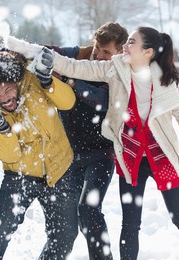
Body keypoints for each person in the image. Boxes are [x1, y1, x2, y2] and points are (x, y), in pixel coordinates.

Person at [5, 26, 179, 260]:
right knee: (130, 224)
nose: (125, 46)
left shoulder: (166, 85)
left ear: (148, 52)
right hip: (130, 159)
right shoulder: (115, 68)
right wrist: (27, 49)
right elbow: (74, 66)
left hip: (163, 159)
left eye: (131, 42)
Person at [0, 49, 79, 260]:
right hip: (20, 174)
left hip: (59, 169)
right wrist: (1, 127)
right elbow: (10, 156)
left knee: (65, 235)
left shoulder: (33, 79)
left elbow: (68, 102)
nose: (4, 98)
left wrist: (48, 82)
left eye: (8, 90)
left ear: (16, 80)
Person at [46, 22, 128, 260]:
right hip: (69, 154)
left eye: (107, 53)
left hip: (101, 152)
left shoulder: (119, 71)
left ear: (120, 52)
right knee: (64, 219)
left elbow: (100, 100)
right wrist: (12, 51)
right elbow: (48, 51)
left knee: (89, 210)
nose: (99, 56)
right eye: (99, 49)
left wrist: (70, 80)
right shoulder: (79, 54)